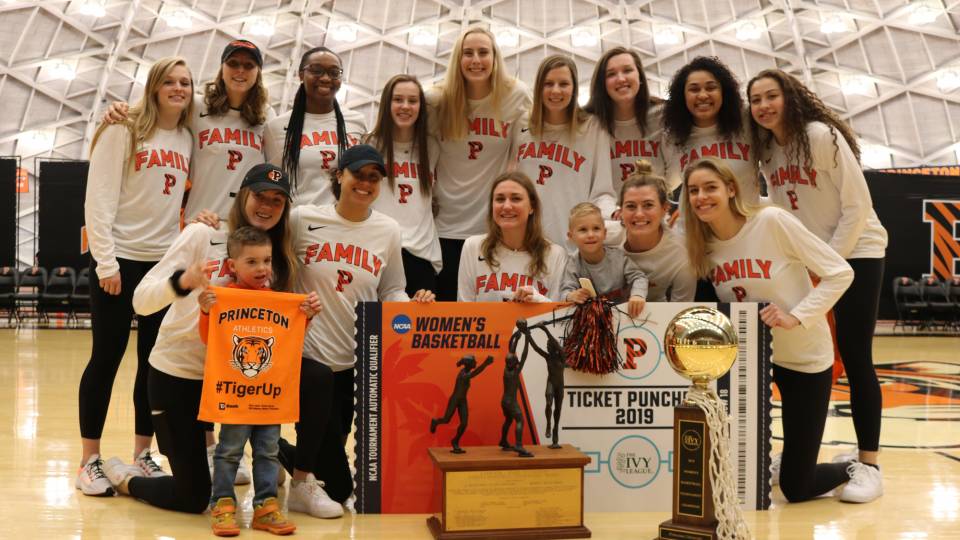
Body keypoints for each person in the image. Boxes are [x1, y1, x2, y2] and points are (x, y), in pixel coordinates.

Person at [98, 164, 314, 515]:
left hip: (232, 384)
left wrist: (306, 313)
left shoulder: (276, 258)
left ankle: (273, 461)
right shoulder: (204, 235)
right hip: (180, 376)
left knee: (314, 383)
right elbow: (140, 300)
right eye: (260, 196)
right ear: (243, 195)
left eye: (277, 200)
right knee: (194, 497)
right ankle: (126, 478)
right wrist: (184, 281)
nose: (267, 205)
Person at [748, 69, 888, 503]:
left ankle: (869, 464)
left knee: (855, 354)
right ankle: (793, 457)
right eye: (756, 99)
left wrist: (827, 263)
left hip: (858, 249)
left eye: (771, 96)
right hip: (812, 259)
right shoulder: (767, 149)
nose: (764, 106)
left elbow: (858, 206)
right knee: (793, 354)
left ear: (790, 98)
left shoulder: (821, 135)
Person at [681, 158, 856, 503]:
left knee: (797, 487)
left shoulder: (772, 221)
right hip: (753, 365)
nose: (701, 197)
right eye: (693, 190)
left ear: (731, 190)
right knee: (741, 472)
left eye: (710, 187)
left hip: (804, 358)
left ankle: (851, 467)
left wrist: (795, 316)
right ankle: (783, 461)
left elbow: (840, 273)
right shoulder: (703, 247)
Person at [279, 144, 435, 519]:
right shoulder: (302, 219)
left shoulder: (388, 230)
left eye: (373, 178)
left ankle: (278, 453)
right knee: (335, 476)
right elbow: (270, 254)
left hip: (353, 356)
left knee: (336, 470)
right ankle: (295, 471)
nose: (365, 184)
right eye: (358, 175)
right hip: (307, 353)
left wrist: (413, 306)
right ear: (339, 175)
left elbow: (392, 288)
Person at [77, 56, 194, 497]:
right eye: (170, 81)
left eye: (185, 82)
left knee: (152, 362)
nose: (178, 88)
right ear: (154, 86)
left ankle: (143, 453)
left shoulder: (188, 136)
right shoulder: (124, 127)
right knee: (106, 358)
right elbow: (99, 198)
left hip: (161, 266)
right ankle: (89, 460)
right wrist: (106, 263)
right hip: (120, 261)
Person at [198, 226, 314, 536]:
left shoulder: (279, 300)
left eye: (266, 260)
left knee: (268, 451)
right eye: (252, 262)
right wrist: (206, 311)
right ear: (232, 265)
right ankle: (222, 504)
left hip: (269, 395)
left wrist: (306, 316)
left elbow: (290, 341)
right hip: (235, 395)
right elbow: (208, 339)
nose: (262, 268)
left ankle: (266, 507)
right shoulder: (222, 297)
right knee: (229, 451)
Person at [103, 39, 275, 221]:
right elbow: (156, 110)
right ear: (222, 69)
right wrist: (123, 110)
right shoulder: (197, 105)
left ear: (258, 72)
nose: (240, 70)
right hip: (201, 220)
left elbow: (272, 172)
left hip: (245, 223)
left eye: (249, 65)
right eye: (233, 63)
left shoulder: (266, 114)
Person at [428, 26, 532, 300]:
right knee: (447, 312)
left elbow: (534, 146)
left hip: (492, 227)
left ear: (495, 57)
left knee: (491, 314)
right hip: (444, 225)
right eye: (468, 53)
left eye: (483, 52)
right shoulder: (438, 99)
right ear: (458, 59)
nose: (476, 60)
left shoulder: (516, 95)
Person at [514, 54, 618, 249]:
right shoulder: (521, 124)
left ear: (574, 88)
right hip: (528, 243)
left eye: (563, 84)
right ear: (538, 87)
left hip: (573, 245)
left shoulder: (593, 127)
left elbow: (601, 190)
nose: (555, 90)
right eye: (548, 84)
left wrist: (613, 214)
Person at [366, 74, 442, 295]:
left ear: (421, 107)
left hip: (420, 255)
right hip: (377, 251)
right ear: (387, 103)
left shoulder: (432, 146)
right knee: (371, 318)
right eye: (398, 99)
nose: (405, 106)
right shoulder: (370, 144)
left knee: (416, 318)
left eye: (413, 100)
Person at [264, 46, 366, 206]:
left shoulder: (356, 121)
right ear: (301, 75)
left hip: (345, 218)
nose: (325, 78)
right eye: (316, 70)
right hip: (299, 217)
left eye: (334, 73)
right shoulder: (276, 127)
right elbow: (273, 183)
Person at [661, 56, 761, 203]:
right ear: (683, 96)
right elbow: (667, 184)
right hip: (698, 218)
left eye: (711, 88)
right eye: (694, 89)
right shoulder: (673, 137)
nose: (702, 95)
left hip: (748, 217)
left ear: (724, 92)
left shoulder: (747, 120)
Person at [457, 171, 567, 302]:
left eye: (516, 199)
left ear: (532, 207)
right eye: (500, 199)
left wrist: (539, 301)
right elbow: (464, 308)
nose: (507, 206)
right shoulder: (473, 247)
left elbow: (558, 313)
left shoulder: (555, 254)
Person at [584, 46, 665, 193]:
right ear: (602, 84)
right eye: (611, 74)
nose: (621, 79)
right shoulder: (589, 125)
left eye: (627, 70)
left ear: (640, 77)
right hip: (607, 207)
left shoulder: (662, 116)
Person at [620, 160, 696, 301]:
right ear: (620, 210)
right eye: (630, 206)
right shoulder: (602, 238)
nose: (639, 214)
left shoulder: (681, 254)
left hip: (658, 312)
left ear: (664, 209)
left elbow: (681, 308)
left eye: (648, 205)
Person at [559, 203, 647, 318]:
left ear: (604, 233)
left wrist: (637, 295)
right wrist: (571, 296)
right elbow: (564, 292)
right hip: (591, 320)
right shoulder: (573, 264)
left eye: (596, 228)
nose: (590, 234)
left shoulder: (619, 258)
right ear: (571, 236)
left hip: (624, 317)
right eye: (583, 230)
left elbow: (639, 277)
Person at [430, 355, 495, 454]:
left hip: (462, 401)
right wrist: (485, 364)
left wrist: (485, 364)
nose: (475, 363)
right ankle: (435, 422)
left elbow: (473, 373)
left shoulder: (466, 372)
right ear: (469, 364)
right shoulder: (463, 375)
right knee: (446, 420)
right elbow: (475, 373)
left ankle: (455, 441)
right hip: (455, 399)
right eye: (473, 362)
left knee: (464, 423)